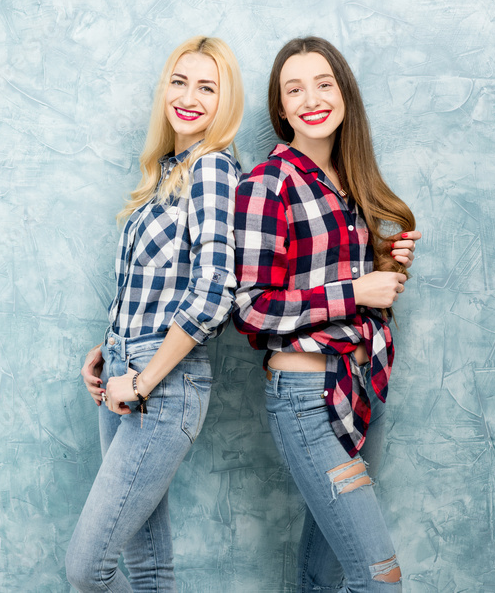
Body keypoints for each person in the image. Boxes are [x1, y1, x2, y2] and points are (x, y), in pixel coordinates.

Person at [232, 36, 421, 591]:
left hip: (363, 391)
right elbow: (253, 309)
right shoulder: (267, 184)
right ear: (281, 107)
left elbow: (334, 279)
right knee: (379, 577)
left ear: (343, 94)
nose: (311, 98)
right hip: (308, 401)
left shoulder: (349, 180)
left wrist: (386, 263)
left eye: (323, 83)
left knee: (325, 576)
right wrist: (358, 290)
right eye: (294, 89)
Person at [66, 36, 244, 592]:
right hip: (126, 370)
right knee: (147, 569)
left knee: (88, 569)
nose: (189, 96)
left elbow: (215, 290)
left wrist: (141, 381)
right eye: (179, 81)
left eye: (207, 87)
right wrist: (109, 345)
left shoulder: (213, 169)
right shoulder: (167, 172)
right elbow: (151, 285)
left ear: (225, 101)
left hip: (161, 387)